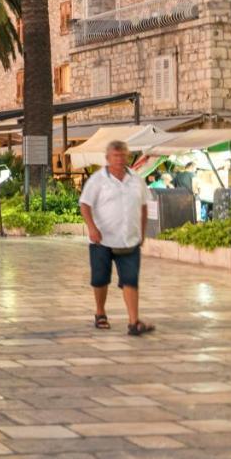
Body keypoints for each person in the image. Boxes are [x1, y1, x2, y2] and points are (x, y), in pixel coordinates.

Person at [80, 140, 155, 336]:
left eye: (123, 156)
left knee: (131, 279)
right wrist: (92, 228)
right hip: (102, 239)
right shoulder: (97, 180)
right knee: (100, 279)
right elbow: (85, 205)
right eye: (116, 156)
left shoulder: (136, 180)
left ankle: (133, 321)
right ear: (107, 159)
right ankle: (100, 312)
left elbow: (144, 206)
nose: (120, 159)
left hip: (129, 238)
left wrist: (142, 232)